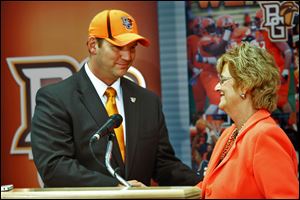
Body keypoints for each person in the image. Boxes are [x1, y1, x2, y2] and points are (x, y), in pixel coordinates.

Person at [31, 9, 201, 187]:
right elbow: (54, 167)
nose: (127, 57)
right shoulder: (56, 98)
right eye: (118, 47)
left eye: (132, 48)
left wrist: (204, 184)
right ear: (92, 45)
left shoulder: (148, 101)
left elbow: (164, 165)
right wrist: (116, 187)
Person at [196, 42, 299, 198]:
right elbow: (208, 187)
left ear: (244, 85)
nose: (217, 87)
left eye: (223, 80)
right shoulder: (229, 134)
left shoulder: (265, 135)